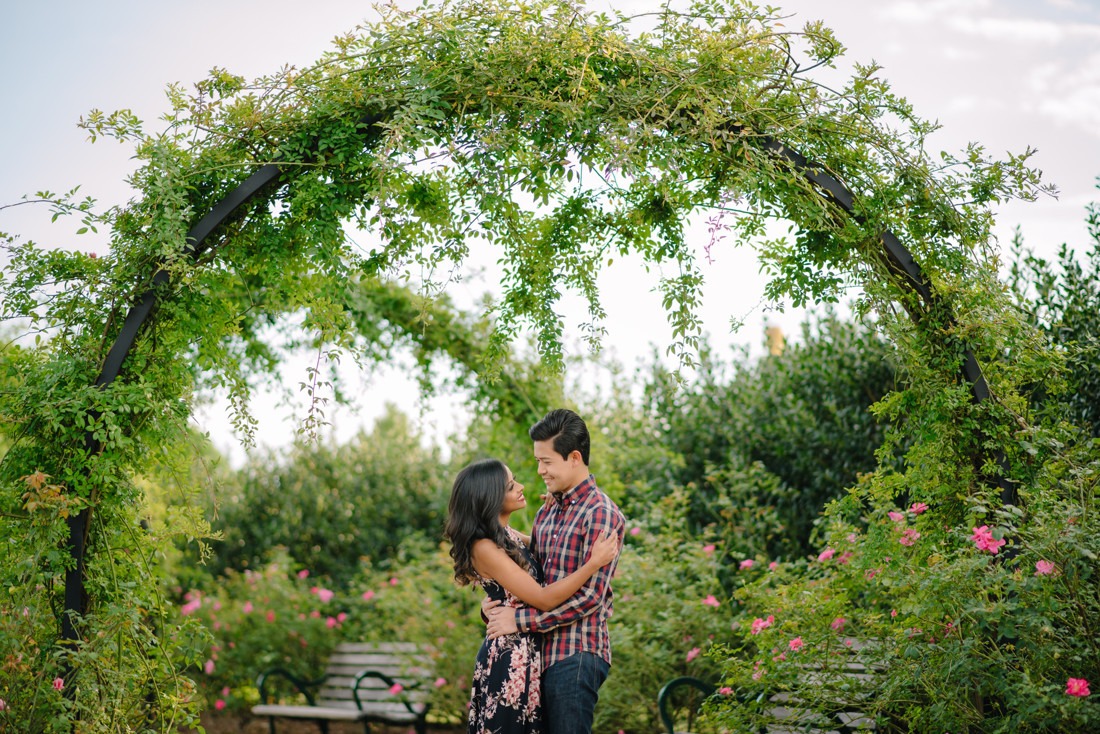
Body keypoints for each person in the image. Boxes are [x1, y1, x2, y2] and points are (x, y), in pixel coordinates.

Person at [444, 457, 619, 734]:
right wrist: (592, 564)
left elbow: (547, 545)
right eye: (512, 485)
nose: (521, 486)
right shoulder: (484, 547)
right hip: (509, 660)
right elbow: (543, 598)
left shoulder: (505, 536)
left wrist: (557, 507)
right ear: (490, 498)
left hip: (529, 653)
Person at [484, 409, 626, 734]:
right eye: (538, 460)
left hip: (576, 652)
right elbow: (533, 567)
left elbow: (589, 598)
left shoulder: (602, 514)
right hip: (537, 653)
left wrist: (518, 621)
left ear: (574, 457)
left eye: (546, 461)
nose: (539, 470)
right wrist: (493, 603)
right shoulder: (548, 509)